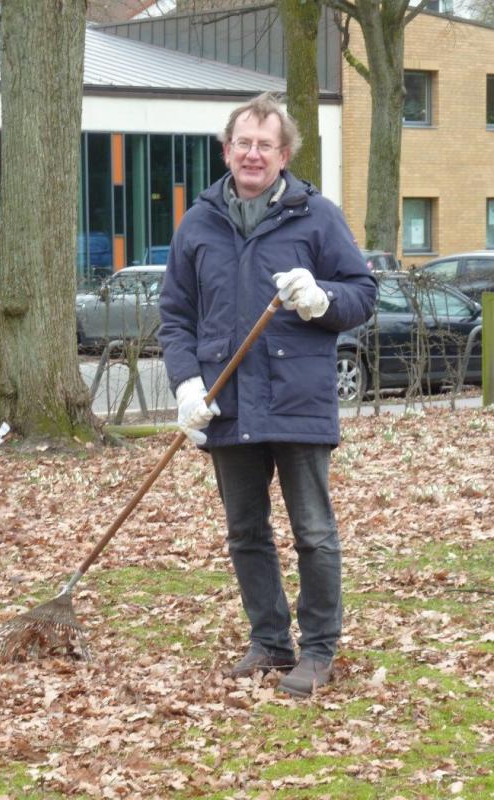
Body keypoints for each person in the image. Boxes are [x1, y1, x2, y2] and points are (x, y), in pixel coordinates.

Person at [158, 93, 377, 697]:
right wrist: (186, 383)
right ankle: (270, 640)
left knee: (313, 532)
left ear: (284, 155)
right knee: (246, 532)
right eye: (243, 143)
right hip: (226, 403)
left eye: (266, 145)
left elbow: (363, 294)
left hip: (297, 401)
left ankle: (317, 650)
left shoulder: (317, 216)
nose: (253, 154)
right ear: (226, 150)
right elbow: (176, 316)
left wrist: (321, 300)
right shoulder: (197, 223)